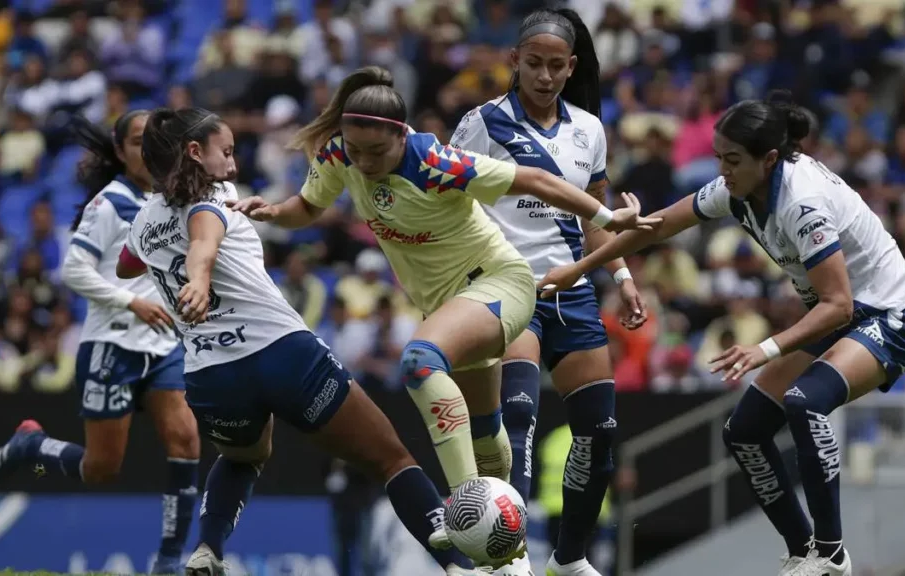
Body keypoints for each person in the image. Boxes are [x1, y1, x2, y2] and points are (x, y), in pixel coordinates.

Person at [228, 66, 656, 537]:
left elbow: (535, 179)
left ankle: (468, 506)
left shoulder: (435, 161)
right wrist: (272, 212)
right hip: (448, 307)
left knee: (419, 362)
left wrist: (606, 216)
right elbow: (308, 207)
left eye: (377, 152)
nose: (365, 163)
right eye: (357, 151)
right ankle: (507, 555)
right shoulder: (338, 155)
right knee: (486, 431)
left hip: (499, 284)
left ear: (401, 135)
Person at [538, 90, 905, 576]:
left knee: (805, 402)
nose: (721, 171)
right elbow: (657, 227)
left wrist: (763, 349)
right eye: (718, 158)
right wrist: (583, 268)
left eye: (732, 160)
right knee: (744, 432)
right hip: (840, 315)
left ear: (768, 159)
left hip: (890, 316)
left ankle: (831, 554)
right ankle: (801, 551)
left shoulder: (802, 202)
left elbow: (838, 304)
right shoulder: (738, 186)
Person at [118, 107, 477, 576]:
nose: (232, 164)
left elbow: (127, 264)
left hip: (211, 377)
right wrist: (199, 280)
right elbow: (202, 243)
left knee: (242, 456)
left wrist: (162, 256)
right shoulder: (215, 195)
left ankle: (207, 549)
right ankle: (460, 567)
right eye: (225, 152)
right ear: (193, 153)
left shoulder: (143, 224)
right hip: (282, 355)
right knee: (390, 458)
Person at [449, 9, 644, 576]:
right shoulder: (482, 123)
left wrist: (624, 278)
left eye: (556, 66)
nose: (543, 75)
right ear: (515, 61)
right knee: (519, 415)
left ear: (571, 67)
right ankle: (508, 554)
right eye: (533, 63)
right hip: (510, 289)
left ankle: (571, 557)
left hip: (576, 294)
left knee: (600, 434)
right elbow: (452, 205)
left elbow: (599, 218)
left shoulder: (589, 129)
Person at [0, 111, 201, 575]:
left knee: (186, 442)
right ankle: (33, 446)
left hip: (162, 345)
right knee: (102, 468)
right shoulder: (111, 203)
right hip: (113, 345)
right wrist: (131, 303)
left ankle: (168, 561)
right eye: (139, 141)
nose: (148, 149)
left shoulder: (173, 198)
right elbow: (73, 271)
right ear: (120, 150)